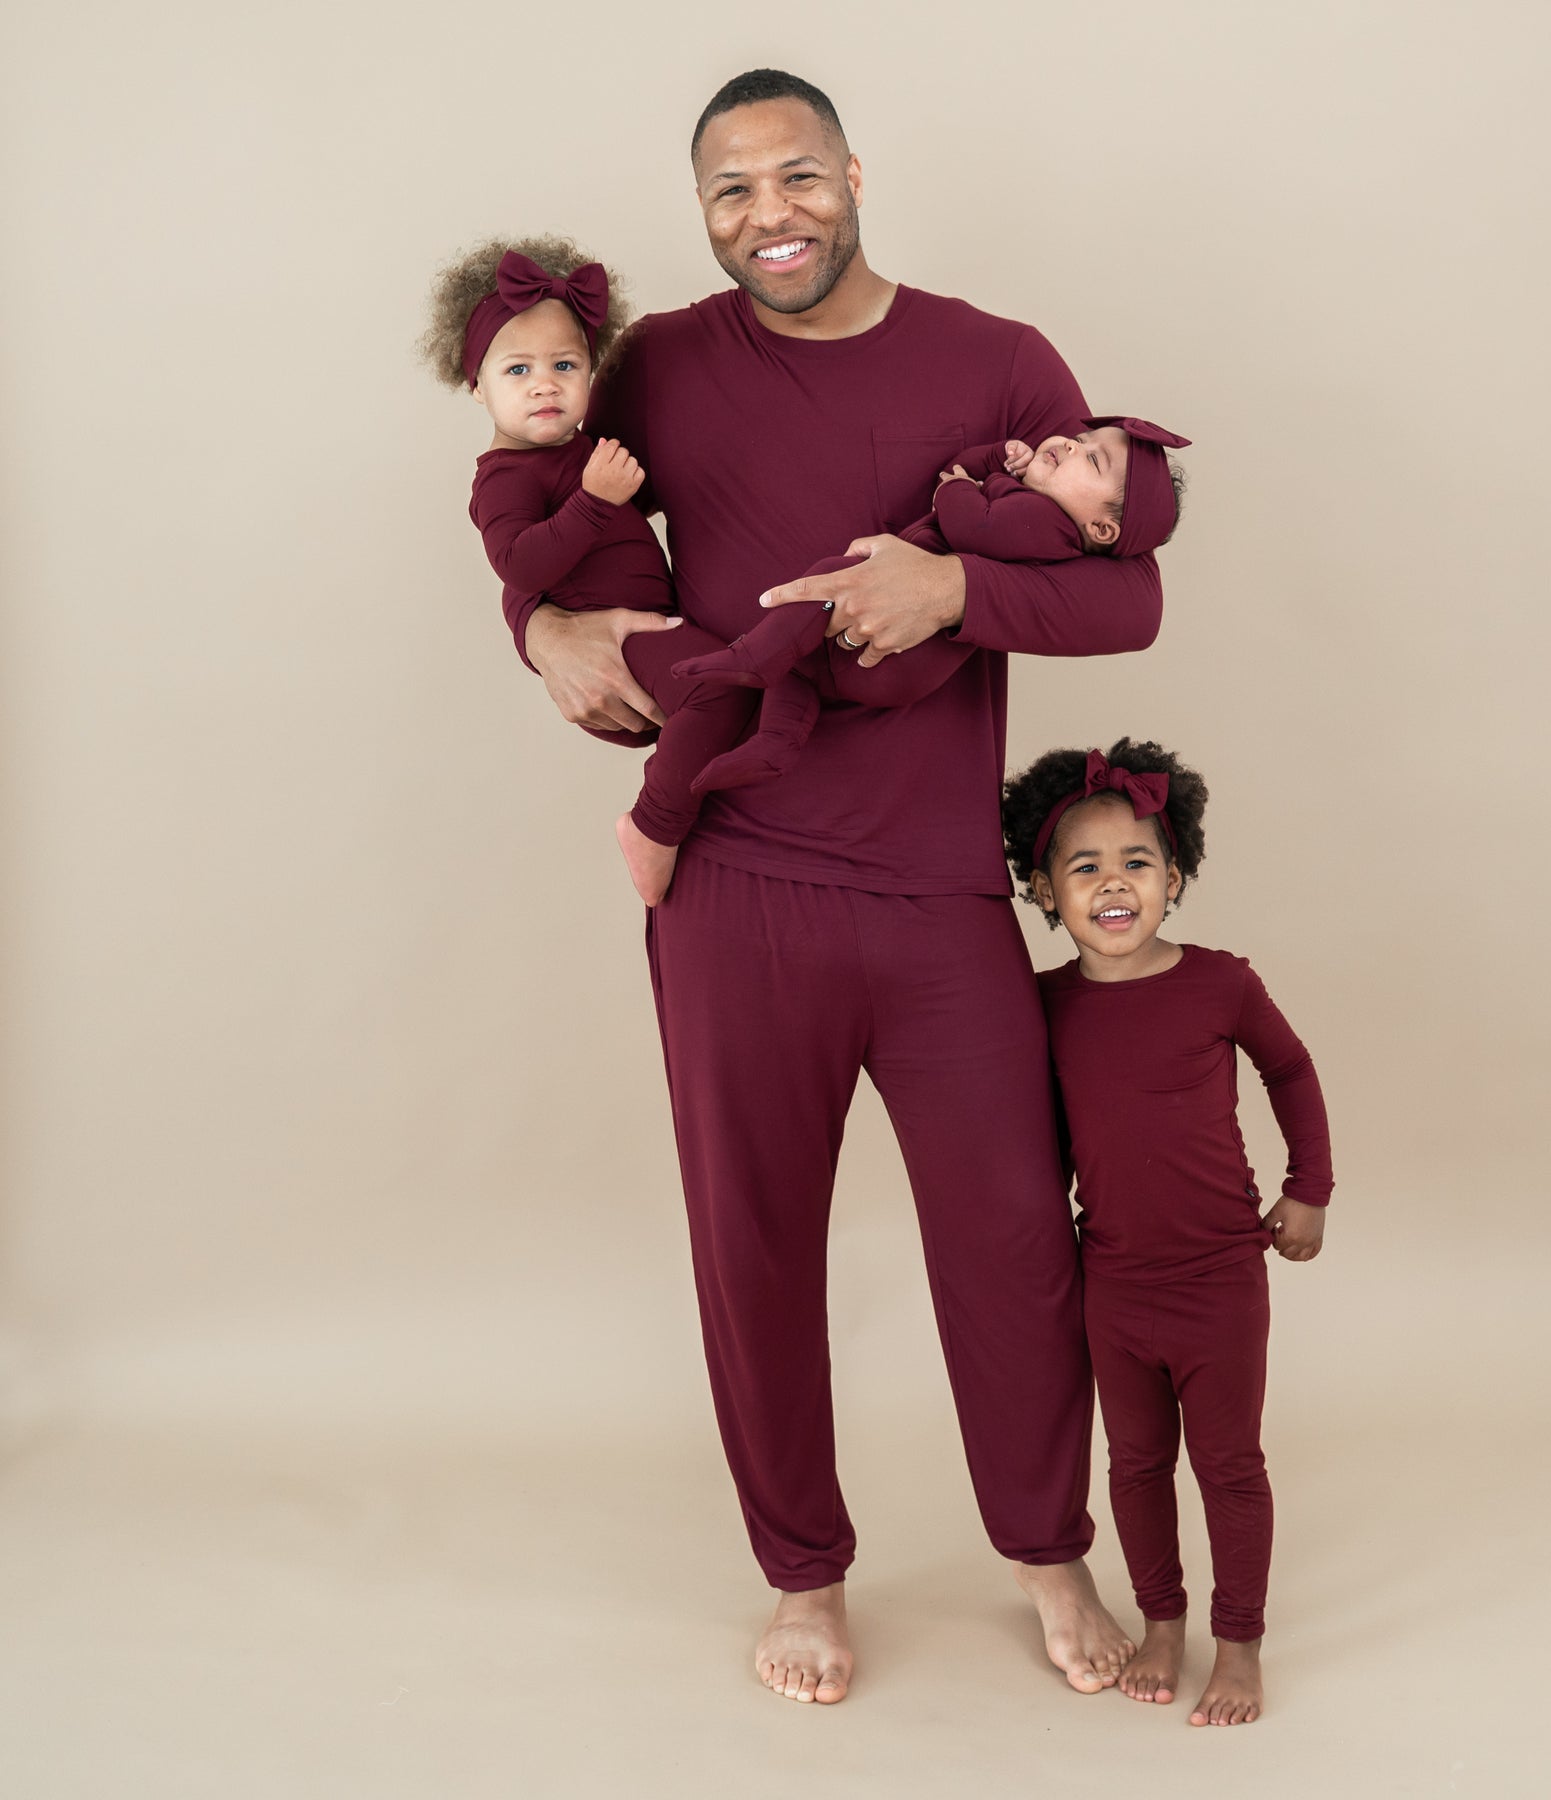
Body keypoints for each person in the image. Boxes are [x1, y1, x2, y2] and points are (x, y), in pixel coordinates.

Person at [508, 69, 1165, 1705]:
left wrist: (952, 588)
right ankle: (804, 1578)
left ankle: (1046, 1548)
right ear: (704, 213)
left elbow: (1129, 599)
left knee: (1014, 1241)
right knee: (755, 1251)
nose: (769, 216)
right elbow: (535, 503)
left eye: (795, 177)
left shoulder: (997, 361)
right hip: (732, 885)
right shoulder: (655, 365)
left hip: (938, 891)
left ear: (854, 174)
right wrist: (541, 630)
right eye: (730, 192)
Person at [999, 739, 1336, 1727]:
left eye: (1136, 862)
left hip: (1220, 1279)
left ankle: (1239, 1644)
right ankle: (1161, 1622)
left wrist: (1309, 1187)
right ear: (1046, 893)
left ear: (1174, 877)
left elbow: (1291, 1070)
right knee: (1137, 1466)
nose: (1114, 884)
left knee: (1229, 1467)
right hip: (1112, 1283)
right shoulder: (1042, 1007)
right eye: (1085, 867)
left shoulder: (1220, 984)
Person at [421, 237, 816, 904]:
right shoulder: (504, 477)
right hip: (614, 646)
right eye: (517, 370)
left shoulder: (587, 449)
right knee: (720, 691)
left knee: (778, 669)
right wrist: (595, 501)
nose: (544, 383)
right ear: (477, 387)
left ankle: (754, 758)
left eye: (565, 364)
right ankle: (653, 827)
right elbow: (518, 565)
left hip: (656, 629)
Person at [667, 419, 1188, 793]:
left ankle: (751, 656)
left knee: (829, 576)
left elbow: (970, 524)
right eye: (1081, 439)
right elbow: (961, 471)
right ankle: (774, 745)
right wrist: (996, 460)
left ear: (1102, 530)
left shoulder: (1048, 525)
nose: (1072, 445)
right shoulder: (1034, 504)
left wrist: (963, 488)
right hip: (897, 669)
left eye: (1091, 459)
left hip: (902, 652)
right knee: (803, 669)